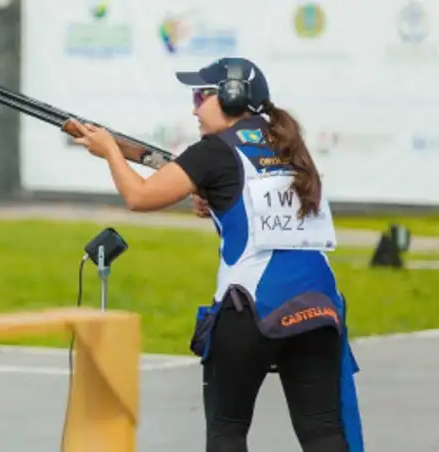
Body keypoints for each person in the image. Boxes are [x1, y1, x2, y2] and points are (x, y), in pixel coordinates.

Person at [66, 57, 364, 452]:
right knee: (322, 432)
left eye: (200, 97)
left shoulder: (214, 151)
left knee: (228, 431)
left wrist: (109, 151)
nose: (194, 109)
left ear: (231, 96)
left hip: (251, 306)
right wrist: (213, 199)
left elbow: (139, 197)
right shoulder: (288, 143)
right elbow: (250, 200)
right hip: (318, 305)